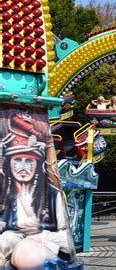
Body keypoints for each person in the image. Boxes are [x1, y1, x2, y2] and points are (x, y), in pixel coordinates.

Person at [0, 111, 72, 268]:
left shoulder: (52, 195)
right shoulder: (6, 192)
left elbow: (65, 238)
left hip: (41, 243)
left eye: (29, 161)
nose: (24, 167)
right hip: (13, 238)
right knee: (4, 240)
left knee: (24, 253)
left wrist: (40, 238)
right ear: (9, 165)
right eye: (18, 161)